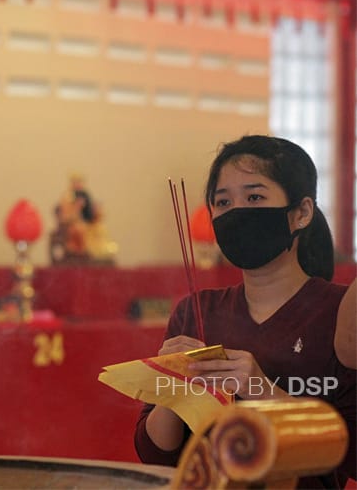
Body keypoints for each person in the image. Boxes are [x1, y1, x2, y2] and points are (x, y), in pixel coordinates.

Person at [134, 135, 356, 488]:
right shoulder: (196, 311)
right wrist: (173, 387)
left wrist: (262, 389)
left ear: (301, 213)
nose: (236, 212)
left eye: (254, 197)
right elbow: (155, 452)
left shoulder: (341, 313)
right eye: (223, 202)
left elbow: (350, 452)